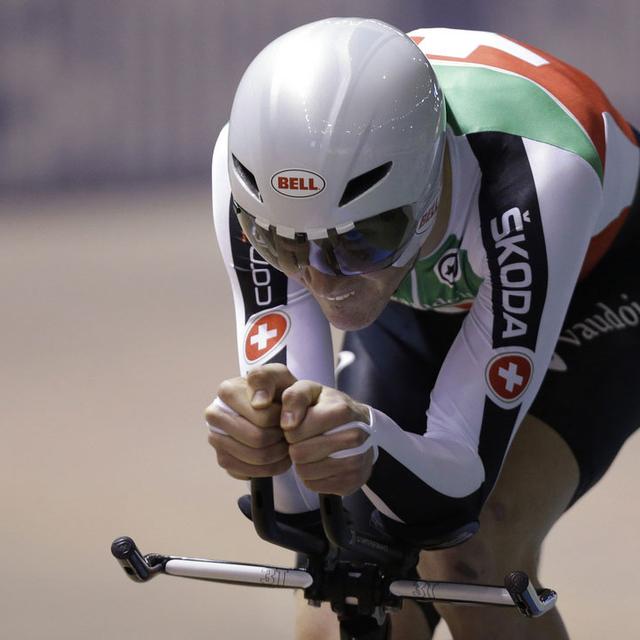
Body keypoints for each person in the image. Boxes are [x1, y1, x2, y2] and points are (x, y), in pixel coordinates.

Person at [205, 17, 640, 640]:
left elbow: (452, 495)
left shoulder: (536, 168)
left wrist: (364, 439)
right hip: (420, 292)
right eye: (283, 247)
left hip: (597, 281)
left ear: (432, 184)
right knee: (338, 583)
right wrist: (267, 445)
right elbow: (300, 509)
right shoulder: (243, 172)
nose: (325, 284)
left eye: (359, 240)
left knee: (473, 558)